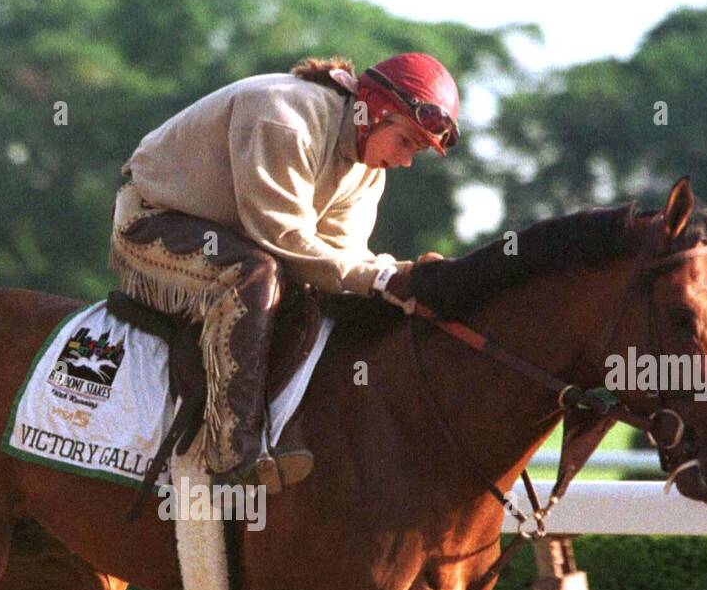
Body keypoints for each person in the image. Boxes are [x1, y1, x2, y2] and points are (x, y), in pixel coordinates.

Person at [110, 52, 459, 491]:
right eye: (406, 141)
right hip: (149, 222)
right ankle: (229, 453)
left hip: (236, 236)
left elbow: (339, 258)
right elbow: (283, 238)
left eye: (418, 150)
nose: (407, 160)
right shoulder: (284, 117)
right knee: (254, 274)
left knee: (325, 292)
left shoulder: (368, 170)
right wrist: (381, 278)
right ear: (372, 112)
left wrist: (396, 275)